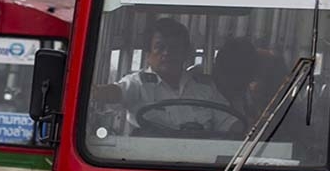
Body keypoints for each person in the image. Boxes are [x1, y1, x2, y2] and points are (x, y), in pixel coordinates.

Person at [93, 18, 239, 134]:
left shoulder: (205, 87)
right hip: (146, 162)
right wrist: (95, 91)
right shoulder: (138, 84)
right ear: (148, 54)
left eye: (174, 47)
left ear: (186, 53)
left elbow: (229, 123)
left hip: (200, 163)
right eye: (160, 47)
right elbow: (115, 92)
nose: (167, 53)